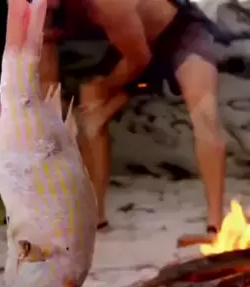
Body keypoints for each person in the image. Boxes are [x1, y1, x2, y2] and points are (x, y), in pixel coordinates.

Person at [59, 0, 227, 234]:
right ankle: (95, 215)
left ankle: (215, 223)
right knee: (90, 100)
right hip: (138, 44)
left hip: (179, 32)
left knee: (205, 113)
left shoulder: (109, 5)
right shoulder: (65, 9)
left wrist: (105, 90)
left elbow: (140, 61)